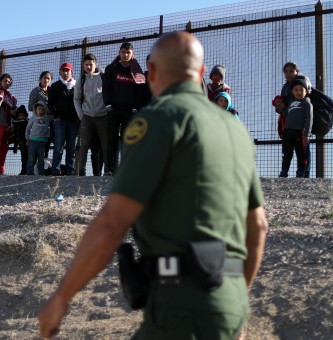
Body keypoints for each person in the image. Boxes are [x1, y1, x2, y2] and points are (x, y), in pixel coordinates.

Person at [38, 31, 268, 339]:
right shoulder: (235, 131)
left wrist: (61, 298)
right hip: (231, 297)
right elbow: (258, 226)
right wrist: (232, 300)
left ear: (153, 74)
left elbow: (112, 223)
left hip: (179, 306)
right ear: (200, 73)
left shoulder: (156, 121)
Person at [102, 42, 147, 175]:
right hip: (113, 110)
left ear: (132, 54)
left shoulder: (137, 71)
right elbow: (106, 88)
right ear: (119, 53)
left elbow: (140, 92)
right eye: (123, 52)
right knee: (112, 139)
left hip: (130, 111)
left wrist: (135, 107)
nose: (125, 55)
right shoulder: (111, 68)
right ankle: (111, 169)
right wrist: (108, 104)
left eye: (128, 52)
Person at [73, 53, 108, 176]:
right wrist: (81, 115)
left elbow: (108, 95)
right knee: (84, 145)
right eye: (86, 64)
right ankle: (81, 172)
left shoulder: (104, 77)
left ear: (95, 64)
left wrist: (107, 110)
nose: (89, 67)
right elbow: (76, 99)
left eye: (91, 64)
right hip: (86, 116)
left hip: (103, 115)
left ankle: (107, 171)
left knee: (105, 145)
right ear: (83, 66)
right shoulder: (80, 81)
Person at [274, 62, 311, 177]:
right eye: (286, 71)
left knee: (303, 150)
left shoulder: (304, 81)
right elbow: (284, 106)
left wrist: (307, 131)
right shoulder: (285, 87)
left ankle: (305, 173)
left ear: (297, 71)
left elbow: (308, 94)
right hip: (288, 124)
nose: (289, 74)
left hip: (301, 123)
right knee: (287, 151)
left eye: (291, 71)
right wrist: (278, 106)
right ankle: (284, 172)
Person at [48, 62, 78, 176]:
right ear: (60, 72)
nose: (65, 73)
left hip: (73, 122)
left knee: (71, 148)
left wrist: (77, 117)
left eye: (68, 70)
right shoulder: (55, 86)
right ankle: (56, 170)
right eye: (63, 70)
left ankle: (70, 171)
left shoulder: (77, 86)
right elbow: (50, 104)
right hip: (60, 121)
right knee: (58, 147)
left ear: (71, 72)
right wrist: (56, 116)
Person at [26, 101, 52, 175]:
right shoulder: (33, 118)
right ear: (35, 109)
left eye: (43, 109)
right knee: (31, 158)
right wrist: (27, 138)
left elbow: (49, 129)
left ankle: (41, 173)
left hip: (42, 142)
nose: (41, 111)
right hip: (33, 141)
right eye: (39, 109)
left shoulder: (47, 119)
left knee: (41, 159)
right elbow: (27, 129)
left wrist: (49, 138)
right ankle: (29, 173)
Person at [12, 105, 29, 175]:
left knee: (29, 157)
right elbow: (15, 135)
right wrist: (15, 147)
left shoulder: (27, 122)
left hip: (28, 142)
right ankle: (24, 171)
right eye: (20, 116)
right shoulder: (17, 124)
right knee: (23, 157)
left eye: (23, 115)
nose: (21, 117)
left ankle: (29, 171)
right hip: (22, 143)